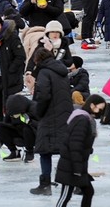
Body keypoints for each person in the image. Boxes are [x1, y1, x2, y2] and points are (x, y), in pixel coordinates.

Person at [27, 47, 74, 196]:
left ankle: (45, 184)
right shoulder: (61, 71)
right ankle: (75, 182)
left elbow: (43, 95)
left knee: (44, 151)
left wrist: (37, 112)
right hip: (65, 114)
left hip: (49, 116)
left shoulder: (44, 72)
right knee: (65, 151)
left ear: (38, 59)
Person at [55, 94, 107, 207]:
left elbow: (81, 142)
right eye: (100, 108)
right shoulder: (82, 120)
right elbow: (75, 145)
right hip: (71, 166)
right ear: (92, 105)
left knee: (88, 192)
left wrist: (88, 149)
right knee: (65, 196)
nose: (100, 112)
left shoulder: (85, 118)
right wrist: (77, 169)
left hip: (78, 165)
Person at [0, 14, 26, 125]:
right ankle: (1, 133)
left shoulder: (11, 37)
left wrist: (10, 70)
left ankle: (11, 132)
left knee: (9, 109)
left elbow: (21, 56)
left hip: (9, 79)